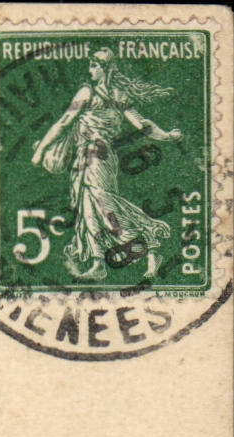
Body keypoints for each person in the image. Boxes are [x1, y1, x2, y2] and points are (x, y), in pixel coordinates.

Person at [31, 48, 182, 282]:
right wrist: (167, 136)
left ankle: (149, 244)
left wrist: (41, 150)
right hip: (92, 156)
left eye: (94, 66)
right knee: (89, 208)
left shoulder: (88, 92)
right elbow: (144, 125)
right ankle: (98, 262)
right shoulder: (117, 95)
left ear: (105, 69)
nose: (90, 70)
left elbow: (64, 122)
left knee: (104, 204)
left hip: (96, 156)